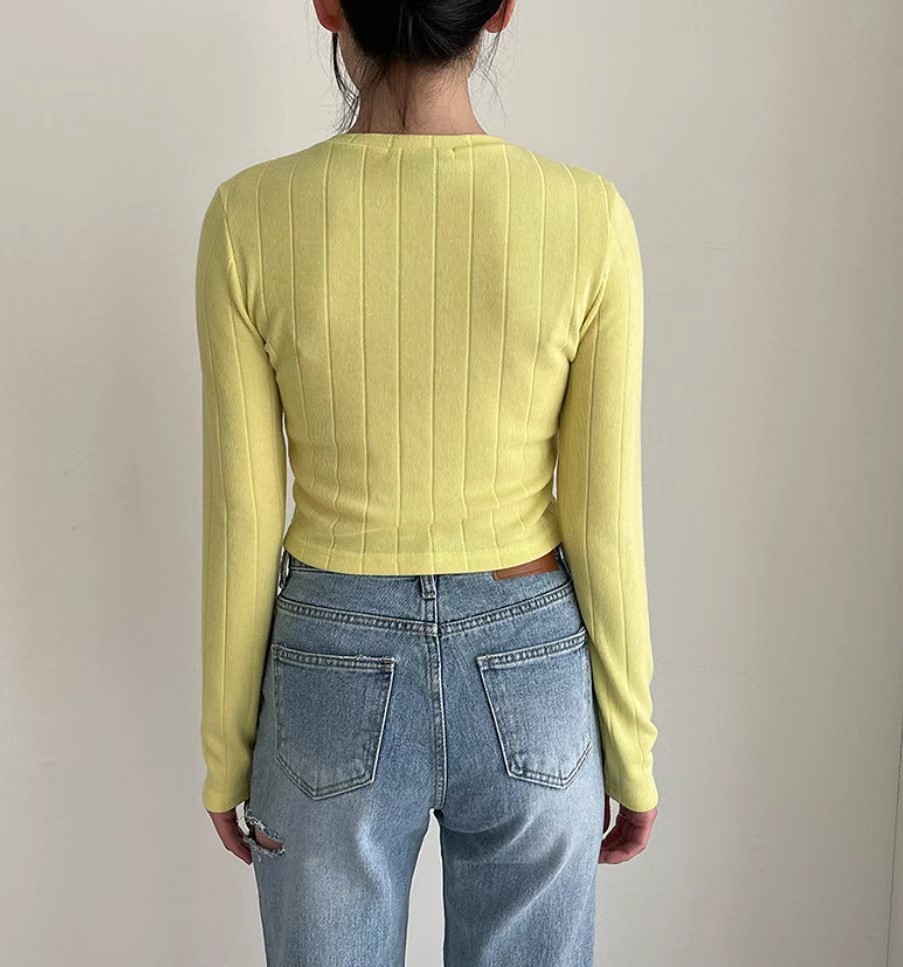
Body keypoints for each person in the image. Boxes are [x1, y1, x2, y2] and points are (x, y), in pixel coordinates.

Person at [194, 0, 660, 962]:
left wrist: (224, 754)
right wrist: (632, 750)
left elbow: (244, 517)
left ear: (329, 5)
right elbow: (603, 520)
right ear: (500, 10)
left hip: (329, 667)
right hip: (531, 666)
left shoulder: (248, 216)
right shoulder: (588, 216)